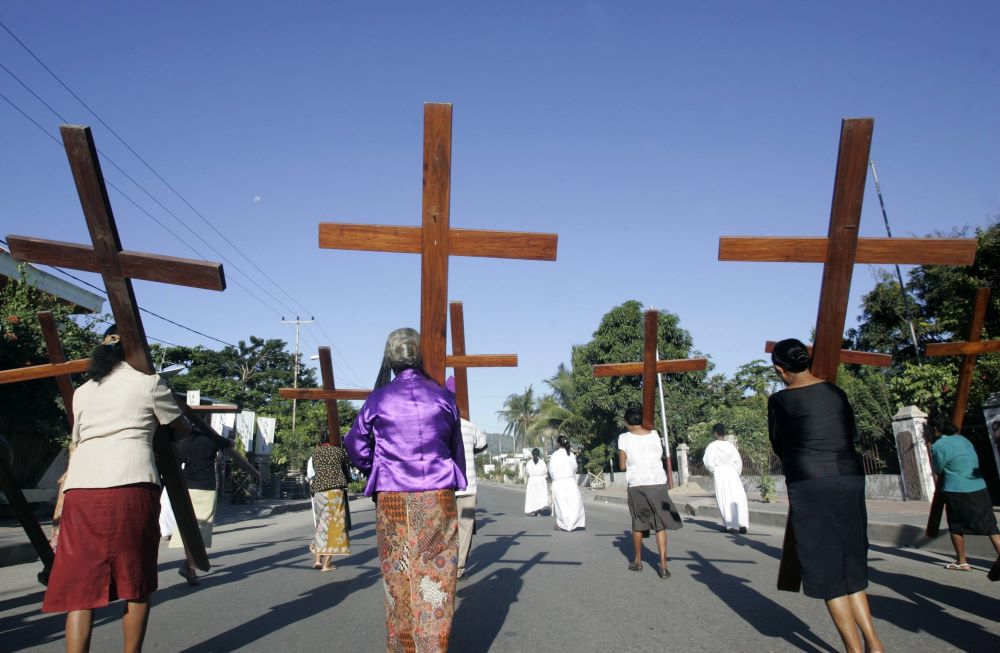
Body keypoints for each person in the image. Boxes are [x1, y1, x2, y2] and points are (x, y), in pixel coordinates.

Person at [41, 325, 191, 653]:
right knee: (135, 580)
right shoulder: (149, 383)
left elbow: (78, 440)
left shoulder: (83, 390)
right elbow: (179, 428)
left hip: (82, 489)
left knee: (80, 587)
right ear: (138, 350)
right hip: (131, 484)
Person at [345, 328, 466, 653]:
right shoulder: (443, 397)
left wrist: (378, 469)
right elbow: (456, 446)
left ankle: (404, 647)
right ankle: (434, 645)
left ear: (390, 358)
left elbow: (354, 445)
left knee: (397, 572)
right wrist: (457, 478)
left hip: (393, 498)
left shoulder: (378, 399)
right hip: (437, 497)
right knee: (437, 571)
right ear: (420, 355)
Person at [768, 338, 883, 653]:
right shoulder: (835, 391)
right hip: (849, 477)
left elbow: (779, 444)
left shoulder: (780, 401)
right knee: (851, 565)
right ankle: (874, 643)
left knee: (827, 570)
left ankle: (854, 650)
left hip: (811, 483)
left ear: (780, 368)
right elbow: (851, 433)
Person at [617, 406, 683, 578]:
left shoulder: (624, 438)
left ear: (627, 422)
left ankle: (638, 561)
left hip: (637, 484)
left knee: (638, 522)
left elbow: (622, 466)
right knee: (660, 524)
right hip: (658, 483)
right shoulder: (654, 434)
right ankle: (663, 564)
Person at [929, 413, 1000, 571]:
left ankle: (962, 561)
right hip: (979, 486)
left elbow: (938, 468)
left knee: (956, 525)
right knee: (990, 524)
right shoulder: (963, 439)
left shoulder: (938, 446)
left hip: (956, 490)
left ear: (934, 429)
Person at [170, 419, 233, 585]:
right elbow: (227, 443)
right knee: (202, 528)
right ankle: (189, 565)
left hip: (187, 487)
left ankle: (190, 565)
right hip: (206, 487)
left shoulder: (182, 444)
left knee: (188, 527)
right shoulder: (210, 441)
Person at [307, 440, 352, 571]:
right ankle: (327, 564)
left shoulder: (315, 454)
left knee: (321, 524)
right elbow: (346, 471)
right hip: (334, 492)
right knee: (335, 526)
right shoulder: (339, 452)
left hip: (318, 492)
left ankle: (317, 560)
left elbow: (310, 474)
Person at [703, 423, 749, 534]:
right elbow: (738, 461)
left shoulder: (712, 446)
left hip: (720, 472)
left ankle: (730, 525)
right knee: (738, 497)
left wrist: (715, 471)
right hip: (733, 473)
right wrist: (736, 472)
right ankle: (742, 524)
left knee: (725, 498)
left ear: (715, 433)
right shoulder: (731, 446)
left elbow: (709, 462)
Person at [548, 435, 585, 531]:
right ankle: (574, 522)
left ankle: (563, 524)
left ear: (558, 444)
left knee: (562, 504)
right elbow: (574, 467)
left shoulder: (555, 455)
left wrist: (555, 478)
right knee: (573, 502)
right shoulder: (571, 454)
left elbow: (551, 470)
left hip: (559, 482)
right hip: (570, 481)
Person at [523, 448, 549, 516]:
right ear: (539, 454)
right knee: (539, 495)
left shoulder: (529, 463)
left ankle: (533, 510)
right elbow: (545, 471)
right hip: (541, 480)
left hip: (532, 481)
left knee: (532, 496)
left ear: (532, 454)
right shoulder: (542, 462)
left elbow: (527, 472)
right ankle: (538, 510)